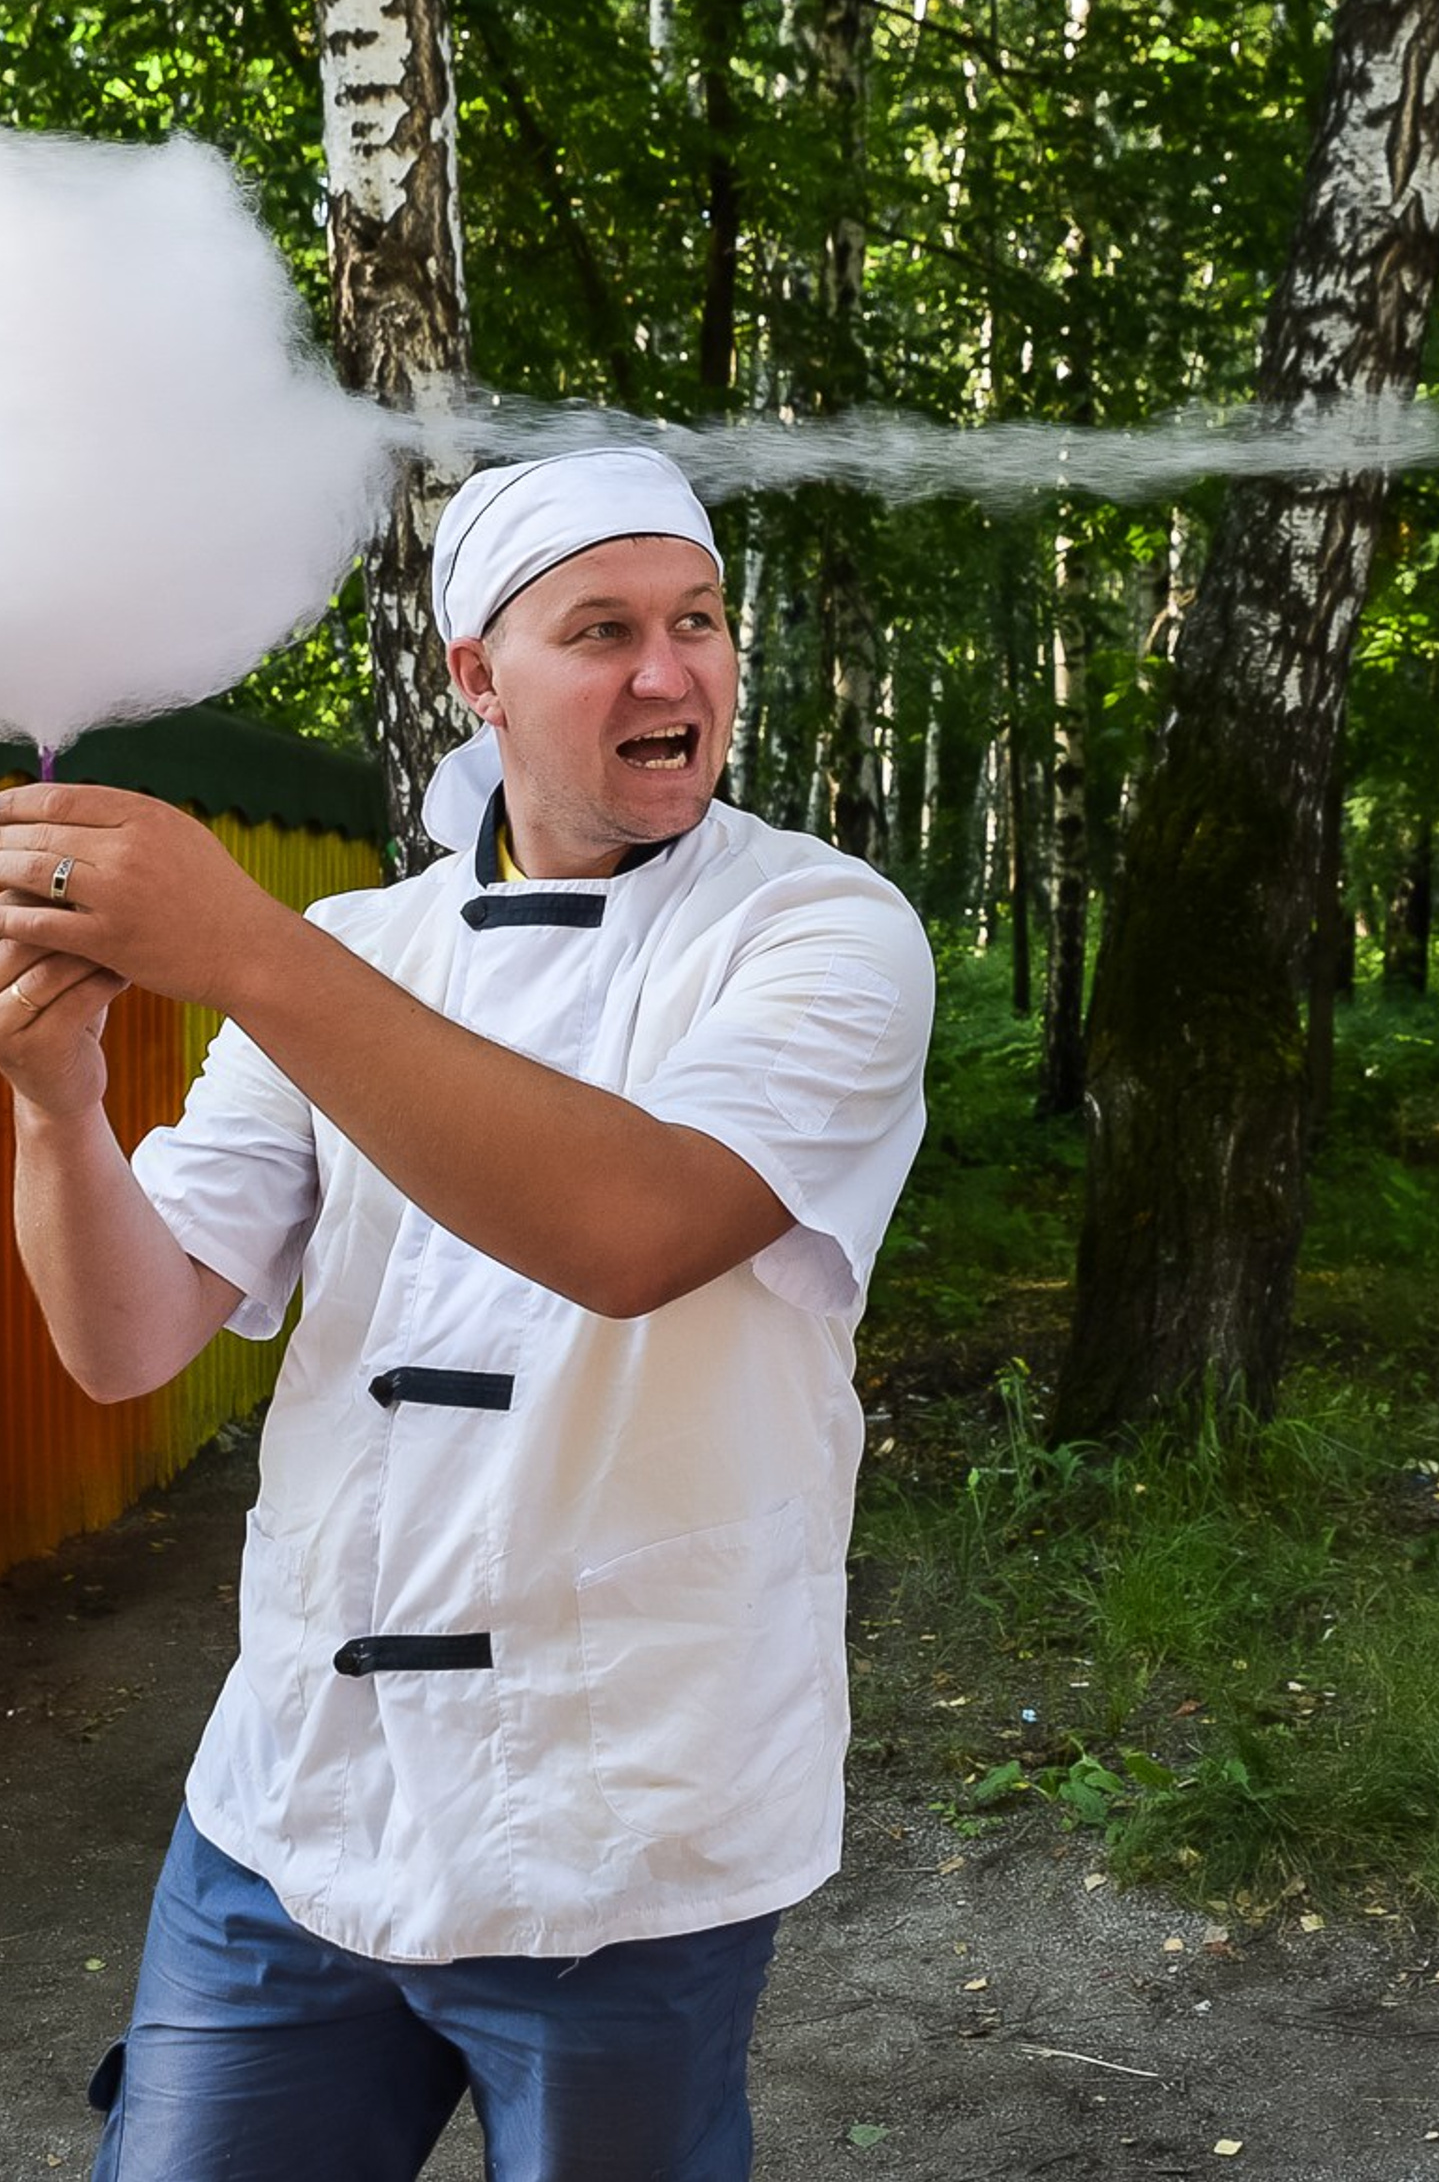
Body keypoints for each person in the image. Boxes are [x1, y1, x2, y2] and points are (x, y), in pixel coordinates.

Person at [0, 446, 933, 2181]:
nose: (670, 672)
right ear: (477, 678)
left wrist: (246, 948)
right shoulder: (357, 942)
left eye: (699, 621)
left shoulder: (819, 929)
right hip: (291, 1808)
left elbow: (633, 1231)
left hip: (628, 1834)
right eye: (604, 631)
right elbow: (127, 1342)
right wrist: (56, 1107)